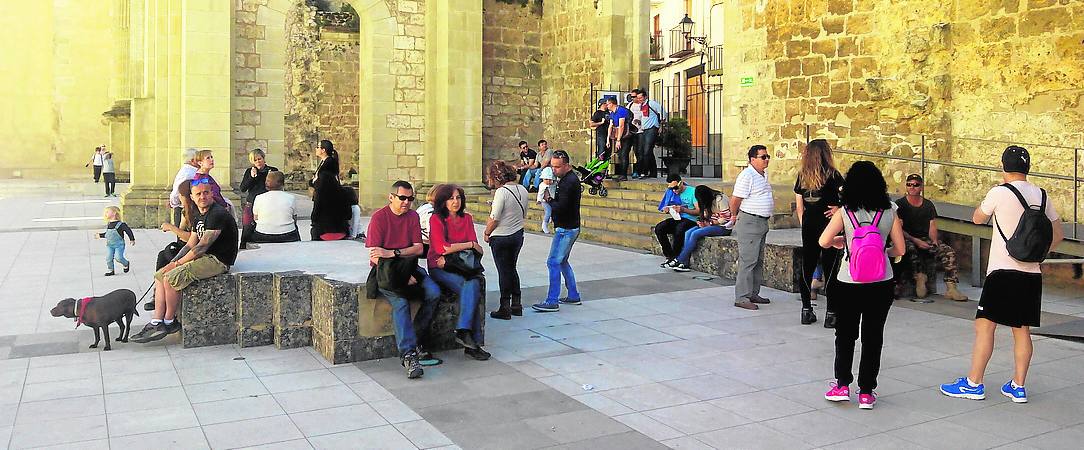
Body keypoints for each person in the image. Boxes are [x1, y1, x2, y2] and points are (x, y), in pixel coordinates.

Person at [940, 146, 1062, 404]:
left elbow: (976, 219)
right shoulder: (1042, 195)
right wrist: (1035, 253)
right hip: (1031, 272)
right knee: (1022, 330)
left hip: (1002, 271)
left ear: (1003, 167)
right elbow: (1058, 235)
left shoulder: (999, 192)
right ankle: (1018, 386)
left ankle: (974, 383)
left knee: (985, 325)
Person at [819, 160, 906, 411]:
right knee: (873, 336)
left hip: (849, 280)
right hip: (881, 281)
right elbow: (900, 249)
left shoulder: (845, 212)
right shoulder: (890, 209)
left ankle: (842, 385)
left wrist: (841, 242)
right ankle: (867, 392)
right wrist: (882, 250)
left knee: (845, 334)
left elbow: (823, 241)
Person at [131, 178, 239, 343]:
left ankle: (169, 321)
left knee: (172, 277)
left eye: (206, 193)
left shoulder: (218, 214)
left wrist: (176, 264)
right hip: (203, 256)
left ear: (211, 194)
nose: (202, 196)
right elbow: (190, 244)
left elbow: (200, 248)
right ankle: (156, 321)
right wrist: (172, 261)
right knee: (161, 274)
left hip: (217, 260)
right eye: (198, 194)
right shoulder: (198, 215)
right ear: (192, 197)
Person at [366, 180, 441, 379]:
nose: (406, 202)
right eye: (402, 198)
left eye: (410, 198)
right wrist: (398, 270)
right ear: (391, 197)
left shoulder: (413, 217)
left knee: (434, 292)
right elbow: (375, 256)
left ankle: (415, 338)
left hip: (409, 267)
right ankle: (408, 354)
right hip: (385, 272)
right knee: (400, 302)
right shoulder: (379, 218)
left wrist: (393, 253)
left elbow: (418, 248)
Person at [427, 184, 491, 361]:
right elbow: (441, 247)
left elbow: (477, 248)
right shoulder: (437, 219)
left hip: (462, 267)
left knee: (472, 286)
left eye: (458, 198)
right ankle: (472, 341)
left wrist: (464, 247)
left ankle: (465, 333)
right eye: (451, 198)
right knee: (470, 287)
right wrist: (468, 245)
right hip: (439, 267)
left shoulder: (467, 218)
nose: (455, 202)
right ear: (443, 201)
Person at [794, 139, 845, 326]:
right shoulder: (833, 175)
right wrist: (838, 209)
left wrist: (804, 223)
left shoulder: (802, 176)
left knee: (807, 266)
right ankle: (831, 313)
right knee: (830, 267)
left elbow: (799, 206)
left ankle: (806, 310)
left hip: (809, 224)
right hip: (828, 225)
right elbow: (848, 199)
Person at [894, 174, 969, 301]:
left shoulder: (928, 205)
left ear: (921, 187)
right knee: (909, 248)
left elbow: (932, 225)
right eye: (909, 184)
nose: (912, 187)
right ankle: (920, 277)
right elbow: (898, 229)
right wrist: (915, 240)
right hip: (907, 238)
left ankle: (951, 287)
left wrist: (934, 241)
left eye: (916, 185)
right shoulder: (900, 205)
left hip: (924, 237)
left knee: (948, 251)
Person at [532, 150, 582, 312]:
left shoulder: (569, 182)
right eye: (552, 166)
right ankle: (573, 295)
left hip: (566, 228)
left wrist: (549, 200)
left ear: (566, 165)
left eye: (557, 167)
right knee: (562, 261)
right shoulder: (566, 179)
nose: (553, 170)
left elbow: (562, 207)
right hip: (569, 226)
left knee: (553, 262)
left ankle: (552, 300)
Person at [730, 145, 775, 310]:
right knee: (748, 260)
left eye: (767, 156)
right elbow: (735, 199)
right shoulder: (747, 175)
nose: (767, 159)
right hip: (750, 221)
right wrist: (733, 216)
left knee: (758, 260)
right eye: (763, 157)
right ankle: (742, 297)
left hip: (761, 222)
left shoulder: (763, 174)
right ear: (752, 159)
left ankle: (753, 292)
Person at [483, 161, 529, 320]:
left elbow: (494, 218)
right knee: (511, 268)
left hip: (501, 236)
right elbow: (523, 214)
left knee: (503, 270)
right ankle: (517, 304)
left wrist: (487, 232)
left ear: (497, 177)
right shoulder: (522, 189)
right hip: (517, 235)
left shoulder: (501, 192)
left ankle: (505, 306)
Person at [673, 185, 733, 272]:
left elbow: (726, 218)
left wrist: (710, 223)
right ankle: (684, 263)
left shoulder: (720, 199)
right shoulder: (706, 202)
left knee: (695, 234)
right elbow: (705, 214)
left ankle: (679, 259)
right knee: (688, 232)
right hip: (710, 224)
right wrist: (700, 221)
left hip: (723, 227)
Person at [240, 171, 300, 248]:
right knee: (295, 227)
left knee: (250, 227)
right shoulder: (291, 198)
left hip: (263, 234)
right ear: (282, 183)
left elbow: (255, 218)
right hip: (288, 234)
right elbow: (294, 218)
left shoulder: (259, 198)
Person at [309, 139, 351, 241]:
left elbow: (321, 181)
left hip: (326, 199)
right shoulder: (324, 162)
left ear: (323, 150)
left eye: (318, 147)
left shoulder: (329, 164)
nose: (316, 149)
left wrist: (314, 183)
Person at [655, 174, 700, 268]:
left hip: (691, 219)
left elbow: (698, 211)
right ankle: (669, 255)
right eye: (672, 189)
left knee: (679, 229)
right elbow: (667, 205)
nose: (674, 191)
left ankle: (677, 257)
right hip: (678, 218)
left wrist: (683, 210)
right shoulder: (671, 192)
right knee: (660, 228)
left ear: (681, 183)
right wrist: (668, 209)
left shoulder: (692, 191)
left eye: (676, 188)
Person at [238, 148, 278, 227]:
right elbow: (243, 188)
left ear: (263, 159)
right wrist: (252, 177)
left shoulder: (272, 170)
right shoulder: (249, 171)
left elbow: (278, 186)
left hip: (268, 204)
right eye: (255, 160)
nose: (258, 162)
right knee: (248, 228)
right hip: (252, 203)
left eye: (259, 159)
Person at [632, 89, 664, 179]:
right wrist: (639, 121)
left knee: (646, 151)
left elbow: (662, 112)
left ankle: (644, 171)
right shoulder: (642, 105)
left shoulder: (651, 103)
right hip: (644, 129)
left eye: (641, 97)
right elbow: (644, 117)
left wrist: (661, 125)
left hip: (652, 129)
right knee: (647, 151)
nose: (639, 99)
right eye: (638, 98)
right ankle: (653, 172)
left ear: (645, 97)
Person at [99, 206, 134, 276]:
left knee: (118, 257)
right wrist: (100, 235)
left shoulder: (121, 224)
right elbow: (109, 234)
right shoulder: (109, 224)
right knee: (108, 258)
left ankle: (126, 263)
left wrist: (132, 239)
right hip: (110, 245)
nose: (105, 214)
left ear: (114, 213)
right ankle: (111, 270)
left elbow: (128, 231)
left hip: (119, 245)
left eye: (107, 212)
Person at [170, 148, 202, 227]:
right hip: (184, 208)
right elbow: (178, 191)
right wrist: (174, 203)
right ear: (192, 160)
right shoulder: (189, 173)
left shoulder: (187, 171)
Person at [604, 97, 634, 181]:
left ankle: (623, 175)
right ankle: (621, 174)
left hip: (626, 136)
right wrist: (608, 139)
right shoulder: (612, 113)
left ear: (612, 104)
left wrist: (618, 140)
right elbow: (611, 125)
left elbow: (621, 126)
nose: (607, 106)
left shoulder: (621, 111)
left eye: (608, 104)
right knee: (620, 154)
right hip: (619, 135)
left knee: (624, 154)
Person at [417, 185, 443, 257]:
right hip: (425, 247)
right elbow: (433, 237)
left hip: (419, 244)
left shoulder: (424, 206)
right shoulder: (431, 212)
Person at [537, 165, 556, 233]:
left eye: (549, 179)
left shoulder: (554, 184)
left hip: (552, 200)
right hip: (544, 201)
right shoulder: (542, 185)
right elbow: (540, 193)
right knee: (548, 211)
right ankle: (544, 225)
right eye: (545, 179)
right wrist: (539, 200)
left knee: (553, 210)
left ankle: (550, 218)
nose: (547, 181)